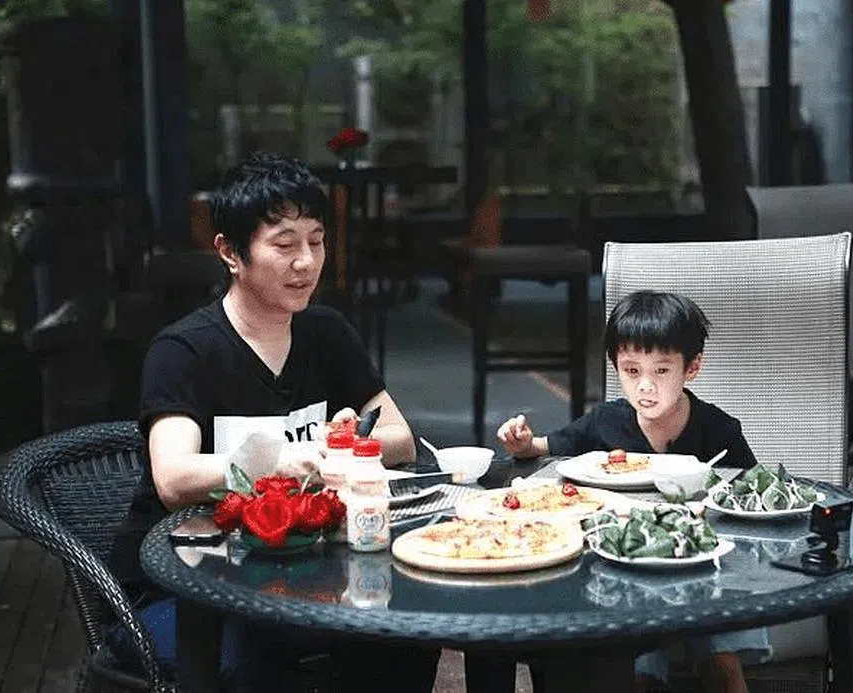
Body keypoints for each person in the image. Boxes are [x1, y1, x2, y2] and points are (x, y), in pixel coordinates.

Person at [109, 151, 437, 692]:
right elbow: (174, 479)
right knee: (262, 654)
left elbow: (399, 437)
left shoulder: (326, 334)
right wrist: (279, 460)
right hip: (178, 587)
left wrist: (342, 446)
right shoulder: (185, 351)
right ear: (230, 252)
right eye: (284, 245)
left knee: (403, 633)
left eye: (317, 241)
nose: (306, 262)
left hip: (294, 572)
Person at [496, 290, 770, 693]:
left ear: (692, 368)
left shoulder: (718, 429)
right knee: (631, 669)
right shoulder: (606, 422)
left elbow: (753, 495)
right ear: (616, 367)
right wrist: (521, 443)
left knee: (723, 666)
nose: (645, 386)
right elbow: (544, 447)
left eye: (661, 371)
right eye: (631, 370)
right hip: (627, 573)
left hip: (704, 568)